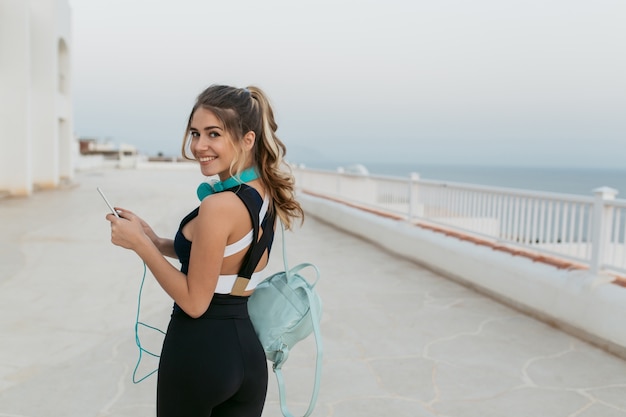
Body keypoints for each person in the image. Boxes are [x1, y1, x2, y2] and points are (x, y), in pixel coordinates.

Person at [106, 84, 304, 416]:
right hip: (247, 354)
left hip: (199, 350)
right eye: (195, 133)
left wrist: (140, 246)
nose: (199, 145)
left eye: (214, 134)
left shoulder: (219, 205)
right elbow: (225, 260)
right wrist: (155, 240)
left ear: (247, 139)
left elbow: (195, 302)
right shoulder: (263, 192)